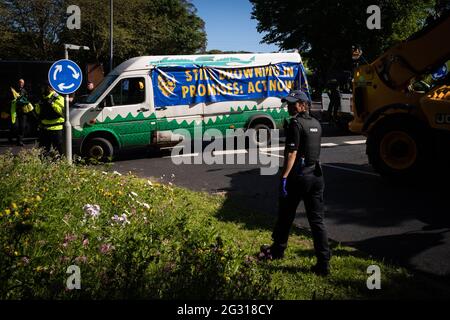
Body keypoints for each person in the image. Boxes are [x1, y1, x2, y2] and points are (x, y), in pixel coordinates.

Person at [259, 90, 331, 276]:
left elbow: (292, 154)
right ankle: (323, 263)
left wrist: (284, 177)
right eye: (289, 103)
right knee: (317, 221)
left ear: (303, 104)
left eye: (293, 103)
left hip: (299, 177)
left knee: (286, 214)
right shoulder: (316, 123)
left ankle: (277, 250)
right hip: (317, 175)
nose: (289, 107)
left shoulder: (295, 124)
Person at [34, 83, 65, 156]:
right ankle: (46, 165)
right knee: (44, 151)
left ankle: (58, 165)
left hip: (56, 128)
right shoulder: (42, 98)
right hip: (45, 128)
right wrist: (38, 105)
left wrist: (52, 104)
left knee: (58, 151)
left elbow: (62, 112)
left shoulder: (59, 98)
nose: (45, 89)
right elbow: (38, 112)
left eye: (47, 87)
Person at [9, 79, 31, 146]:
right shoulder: (13, 91)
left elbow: (27, 99)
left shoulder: (24, 91)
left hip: (23, 111)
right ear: (17, 83)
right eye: (20, 82)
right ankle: (11, 137)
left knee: (22, 126)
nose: (21, 84)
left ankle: (20, 141)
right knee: (15, 126)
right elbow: (9, 99)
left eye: (22, 83)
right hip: (15, 111)